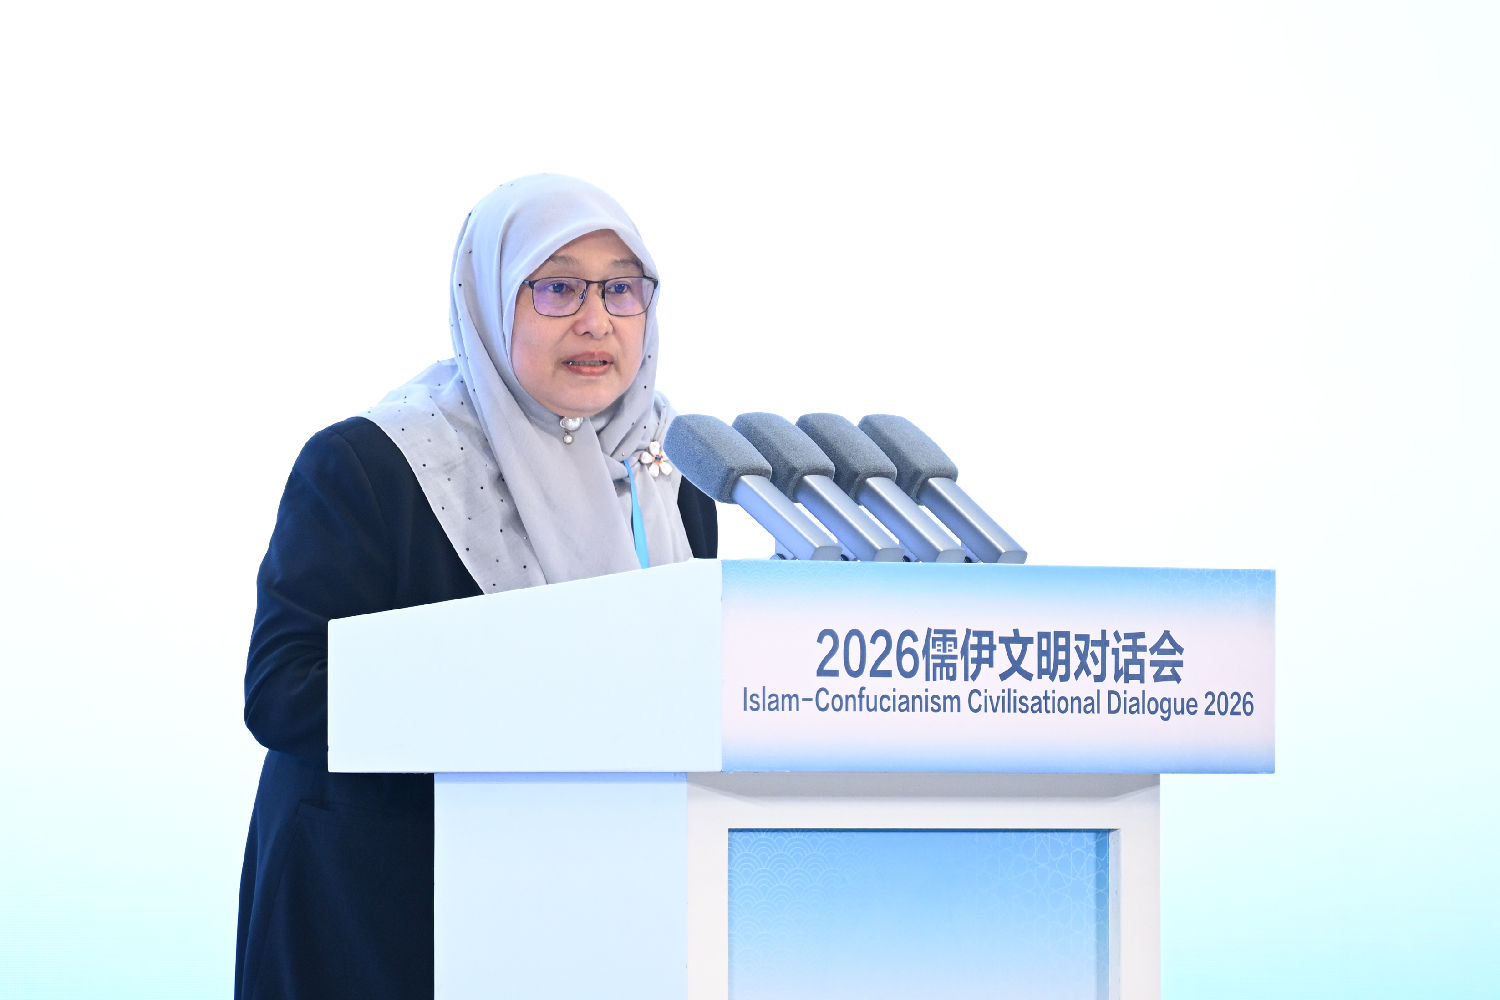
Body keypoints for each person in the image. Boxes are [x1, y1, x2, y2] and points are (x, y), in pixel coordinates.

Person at [234, 175, 717, 1000]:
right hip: (377, 913)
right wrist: (518, 694)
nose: (596, 320)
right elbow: (283, 690)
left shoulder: (672, 475)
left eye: (622, 289)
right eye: (557, 287)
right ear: (487, 299)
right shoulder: (375, 463)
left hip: (589, 906)